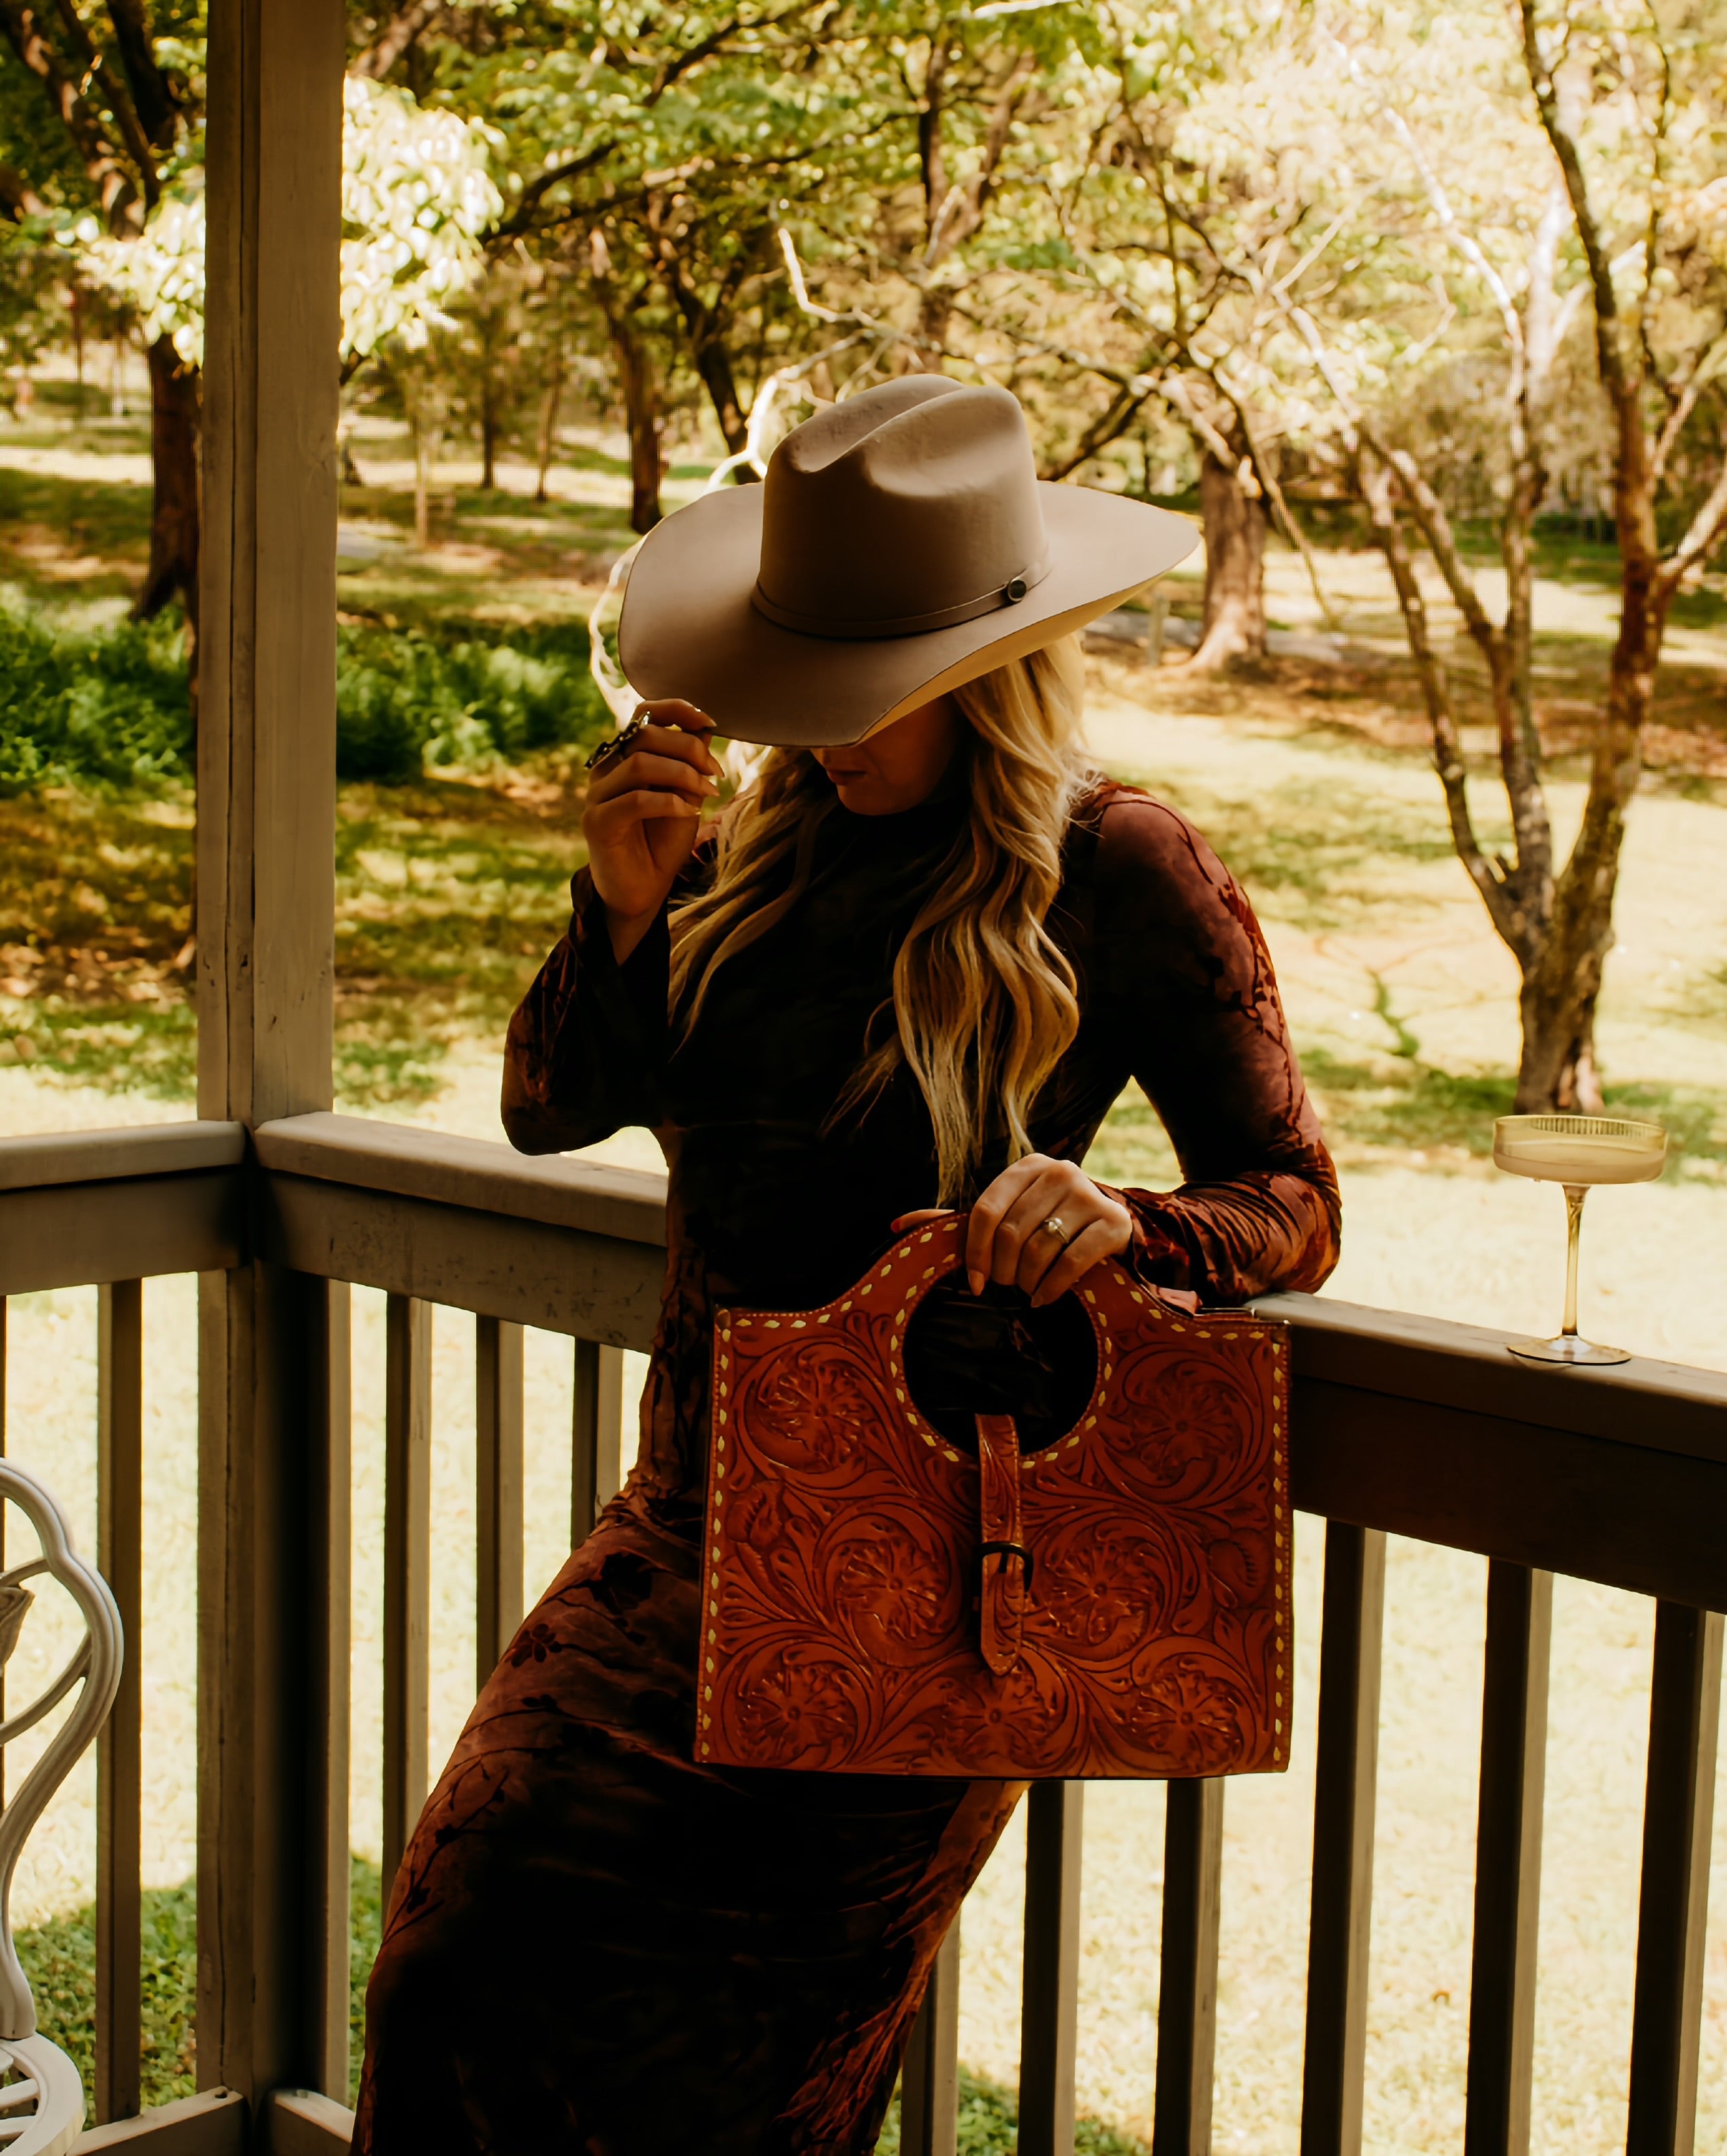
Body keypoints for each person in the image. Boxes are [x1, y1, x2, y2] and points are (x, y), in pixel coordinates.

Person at [353, 377, 1340, 2156]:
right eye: (805, 674)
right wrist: (622, 904)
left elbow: (1292, 1199)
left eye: (867, 682)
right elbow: (545, 1108)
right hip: (669, 1561)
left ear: (994, 661)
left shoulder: (1122, 871)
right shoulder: (743, 866)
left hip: (926, 1610)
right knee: (448, 1984)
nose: (824, 732)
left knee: (736, 2106)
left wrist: (1128, 1223)